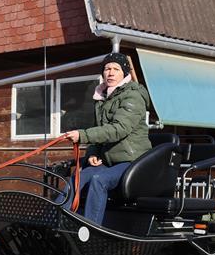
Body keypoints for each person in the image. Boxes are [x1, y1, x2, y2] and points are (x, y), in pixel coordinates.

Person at [63, 53, 152, 225]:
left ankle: (89, 230)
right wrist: (93, 152)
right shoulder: (102, 98)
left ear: (124, 73)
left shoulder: (133, 96)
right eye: (107, 69)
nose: (110, 72)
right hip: (109, 160)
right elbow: (100, 131)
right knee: (78, 178)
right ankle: (55, 222)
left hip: (132, 160)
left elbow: (119, 129)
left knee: (99, 180)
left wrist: (82, 135)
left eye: (115, 69)